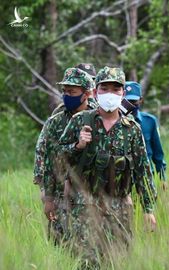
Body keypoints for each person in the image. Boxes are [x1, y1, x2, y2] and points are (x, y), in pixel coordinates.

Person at [58, 67, 157, 267]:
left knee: (117, 261)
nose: (110, 93)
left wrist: (148, 209)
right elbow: (59, 157)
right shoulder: (80, 121)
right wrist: (78, 145)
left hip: (119, 206)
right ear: (95, 92)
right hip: (84, 206)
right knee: (86, 263)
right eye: (104, 88)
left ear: (122, 93)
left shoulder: (132, 129)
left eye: (116, 89)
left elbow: (142, 170)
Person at [37, 67, 96, 243]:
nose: (67, 95)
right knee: (60, 241)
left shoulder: (98, 117)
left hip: (92, 192)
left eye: (72, 92)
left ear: (86, 94)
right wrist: (47, 197)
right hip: (60, 190)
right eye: (65, 91)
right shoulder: (55, 122)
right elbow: (49, 161)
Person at [125, 81, 168, 190]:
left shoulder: (149, 121)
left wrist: (163, 178)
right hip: (123, 178)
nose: (130, 105)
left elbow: (158, 153)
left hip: (146, 177)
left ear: (141, 100)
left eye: (133, 101)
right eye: (127, 101)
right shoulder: (115, 122)